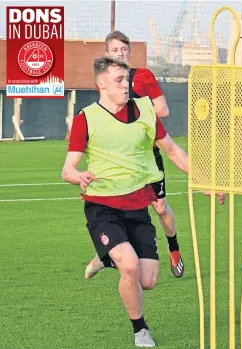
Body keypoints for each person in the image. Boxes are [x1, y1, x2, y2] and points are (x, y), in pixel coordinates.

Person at [63, 56, 223, 347]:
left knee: (147, 280)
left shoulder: (146, 111)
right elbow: (67, 168)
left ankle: (105, 256)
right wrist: (79, 176)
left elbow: (173, 151)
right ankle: (140, 330)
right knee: (130, 265)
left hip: (138, 207)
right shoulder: (85, 118)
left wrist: (206, 181)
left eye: (128, 79)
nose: (127, 85)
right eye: (120, 81)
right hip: (103, 207)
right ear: (101, 84)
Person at [85, 30, 185, 279]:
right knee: (115, 207)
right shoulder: (106, 81)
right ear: (107, 53)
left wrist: (133, 103)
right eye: (115, 50)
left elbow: (162, 109)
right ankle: (109, 253)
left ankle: (174, 248)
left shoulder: (143, 76)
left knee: (160, 208)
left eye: (124, 50)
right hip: (117, 158)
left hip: (147, 154)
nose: (121, 54)